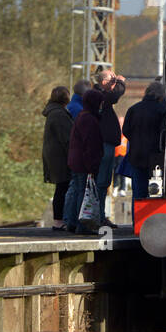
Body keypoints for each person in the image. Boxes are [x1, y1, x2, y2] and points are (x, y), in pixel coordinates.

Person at [122, 81, 166, 216]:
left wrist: (136, 141)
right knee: (156, 191)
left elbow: (125, 131)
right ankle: (151, 220)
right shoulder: (162, 110)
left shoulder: (133, 109)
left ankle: (137, 221)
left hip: (136, 155)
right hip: (155, 156)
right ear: (161, 96)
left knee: (138, 191)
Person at [65, 88, 105, 234]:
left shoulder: (81, 116)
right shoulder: (90, 120)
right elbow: (91, 145)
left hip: (75, 160)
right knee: (84, 193)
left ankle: (71, 222)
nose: (101, 106)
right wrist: (92, 167)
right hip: (84, 163)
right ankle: (82, 226)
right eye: (100, 103)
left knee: (76, 191)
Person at [93, 70, 127, 226]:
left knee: (105, 181)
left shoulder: (101, 96)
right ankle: (97, 216)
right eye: (111, 78)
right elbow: (115, 96)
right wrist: (120, 83)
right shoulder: (100, 96)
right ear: (104, 82)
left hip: (107, 145)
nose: (114, 81)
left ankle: (100, 215)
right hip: (103, 145)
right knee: (101, 181)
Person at [41, 86, 74, 229]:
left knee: (61, 187)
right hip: (60, 157)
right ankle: (59, 220)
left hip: (53, 155)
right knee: (62, 187)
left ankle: (59, 219)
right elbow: (66, 139)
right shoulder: (59, 114)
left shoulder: (52, 112)